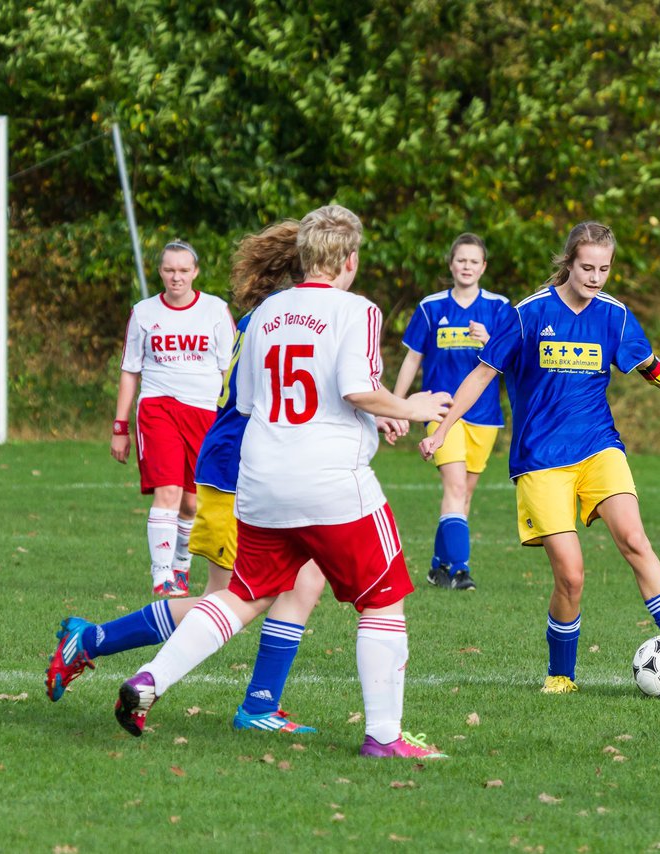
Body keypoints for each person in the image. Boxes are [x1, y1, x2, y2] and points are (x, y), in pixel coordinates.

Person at [112, 204, 453, 760]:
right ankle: (385, 738)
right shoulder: (358, 310)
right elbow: (356, 388)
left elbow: (250, 401)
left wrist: (375, 409)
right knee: (383, 603)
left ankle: (149, 680)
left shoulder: (265, 314)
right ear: (349, 259)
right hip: (332, 485)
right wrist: (409, 407)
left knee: (242, 595)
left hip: (262, 481)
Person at [419, 221, 660, 694]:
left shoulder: (614, 316)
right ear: (568, 262)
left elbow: (657, 371)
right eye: (587, 267)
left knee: (636, 540)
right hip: (540, 458)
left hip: (599, 448)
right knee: (572, 576)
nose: (595, 277)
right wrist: (442, 428)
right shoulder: (528, 314)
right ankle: (561, 675)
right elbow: (482, 374)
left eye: (604, 269)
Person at [47, 221, 339, 735]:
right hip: (243, 475)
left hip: (253, 468)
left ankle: (260, 703)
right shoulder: (279, 321)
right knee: (231, 599)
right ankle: (93, 642)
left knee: (303, 580)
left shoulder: (270, 318)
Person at [392, 233, 516, 591]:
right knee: (455, 486)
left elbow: (513, 360)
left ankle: (437, 567)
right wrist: (398, 407)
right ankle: (461, 570)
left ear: (483, 267)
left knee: (464, 495)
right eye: (461, 260)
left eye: (474, 261)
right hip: (441, 411)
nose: (467, 266)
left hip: (485, 414)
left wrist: (489, 341)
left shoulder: (498, 307)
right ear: (451, 264)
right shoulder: (431, 307)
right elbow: (412, 358)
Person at [111, 240, 234, 596]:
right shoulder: (144, 313)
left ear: (195, 272)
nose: (176, 277)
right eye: (169, 270)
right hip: (158, 409)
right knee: (167, 491)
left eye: (183, 270)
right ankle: (162, 576)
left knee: (193, 500)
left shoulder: (215, 310)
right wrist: (120, 427)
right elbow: (129, 371)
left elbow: (229, 368)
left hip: (205, 413)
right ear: (160, 272)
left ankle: (181, 563)